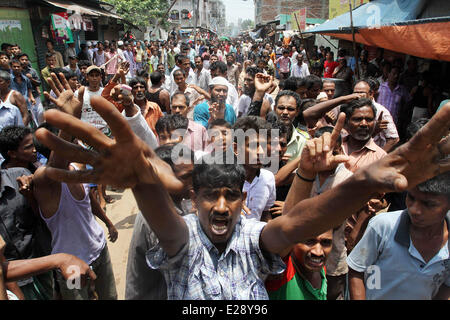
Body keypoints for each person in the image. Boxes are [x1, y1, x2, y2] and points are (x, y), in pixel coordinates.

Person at [34, 84, 450, 300]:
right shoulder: (183, 240)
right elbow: (161, 215)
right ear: (193, 199)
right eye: (210, 196)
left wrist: (366, 181)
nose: (220, 207)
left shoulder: (255, 239)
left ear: (242, 199)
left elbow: (297, 224)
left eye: (231, 196)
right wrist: (143, 179)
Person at [34, 73, 118, 300]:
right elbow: (56, 164)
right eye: (67, 140)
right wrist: (70, 122)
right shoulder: (43, 180)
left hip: (99, 251)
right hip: (70, 264)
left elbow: (89, 201)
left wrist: (108, 223)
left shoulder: (74, 167)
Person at [348, 171, 450, 300]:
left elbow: (446, 286)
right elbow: (357, 271)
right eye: (411, 198)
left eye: (428, 204)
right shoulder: (384, 226)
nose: (414, 210)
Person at [125, 143, 194, 300]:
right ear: (161, 177)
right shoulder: (156, 218)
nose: (193, 182)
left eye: (194, 175)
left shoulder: (179, 202)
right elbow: (181, 264)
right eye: (185, 177)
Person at [265, 230, 333, 300]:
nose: (318, 252)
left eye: (326, 242)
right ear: (293, 242)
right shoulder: (282, 270)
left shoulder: (320, 268)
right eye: (309, 241)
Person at [233, 116, 276, 222]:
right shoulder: (221, 179)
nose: (261, 152)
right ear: (236, 148)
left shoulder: (268, 178)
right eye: (253, 146)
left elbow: (265, 213)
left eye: (264, 146)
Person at [340, 98, 387, 173]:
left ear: (375, 122)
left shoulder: (380, 157)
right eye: (357, 119)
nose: (364, 124)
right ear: (347, 122)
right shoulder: (335, 146)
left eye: (369, 119)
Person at [273, 90, 307, 162]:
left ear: (297, 112)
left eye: (290, 109)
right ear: (274, 108)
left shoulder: (301, 141)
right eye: (281, 108)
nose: (285, 112)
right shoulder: (262, 135)